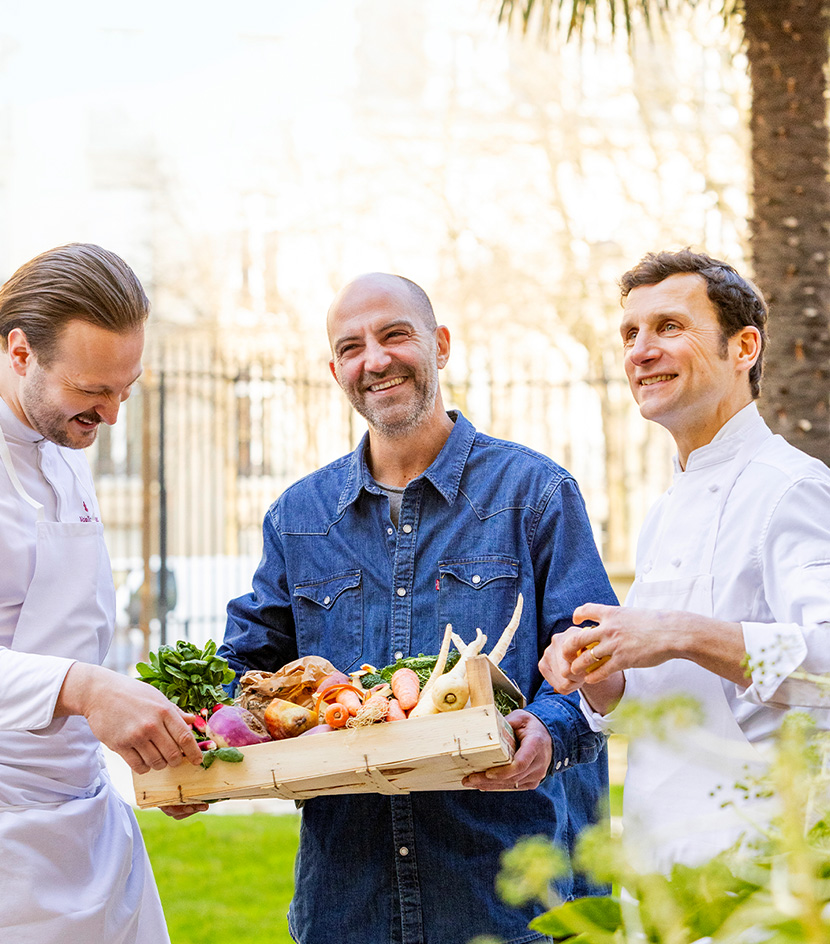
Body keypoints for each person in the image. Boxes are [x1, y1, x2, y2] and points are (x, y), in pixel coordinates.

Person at [219, 272, 617, 943]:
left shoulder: (534, 494)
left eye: (394, 335)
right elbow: (248, 669)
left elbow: (594, 660)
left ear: (441, 345)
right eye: (351, 347)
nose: (374, 360)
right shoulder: (299, 518)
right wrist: (205, 737)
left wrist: (547, 732)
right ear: (335, 368)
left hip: (506, 895)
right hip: (350, 902)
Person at [539, 248, 830, 873]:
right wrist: (600, 673)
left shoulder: (791, 487)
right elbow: (670, 699)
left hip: (766, 880)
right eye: (630, 334)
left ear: (743, 346)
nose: (640, 350)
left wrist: (676, 631)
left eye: (669, 326)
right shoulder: (665, 510)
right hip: (662, 869)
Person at [0, 243, 204, 944]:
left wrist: (141, 736)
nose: (113, 415)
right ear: (21, 353)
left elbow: (62, 634)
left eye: (127, 389)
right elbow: (69, 676)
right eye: (95, 391)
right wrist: (87, 690)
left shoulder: (63, 439)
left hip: (89, 818)